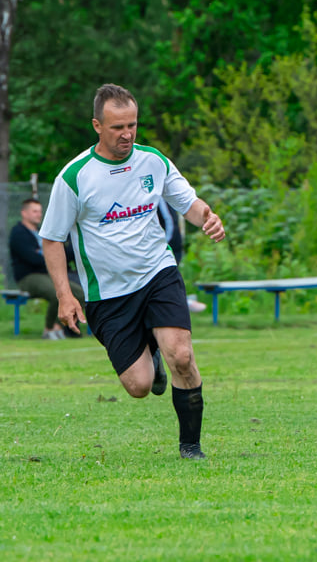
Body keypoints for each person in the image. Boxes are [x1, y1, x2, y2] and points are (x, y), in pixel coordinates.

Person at [39, 83, 225, 460]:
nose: (126, 134)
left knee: (183, 356)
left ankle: (191, 447)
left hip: (158, 273)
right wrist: (64, 294)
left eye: (132, 125)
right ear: (97, 125)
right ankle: (150, 355)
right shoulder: (75, 177)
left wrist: (209, 217)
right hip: (108, 294)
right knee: (139, 385)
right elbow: (52, 239)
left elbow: (188, 202)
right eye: (117, 127)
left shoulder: (152, 161)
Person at [9, 198, 85, 339]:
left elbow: (62, 255)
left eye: (40, 211)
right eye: (34, 211)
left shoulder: (41, 232)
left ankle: (61, 327)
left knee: (79, 293)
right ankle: (49, 330)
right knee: (57, 293)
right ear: (24, 213)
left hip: (47, 274)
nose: (39, 214)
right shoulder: (18, 232)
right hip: (29, 277)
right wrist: (53, 258)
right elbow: (32, 258)